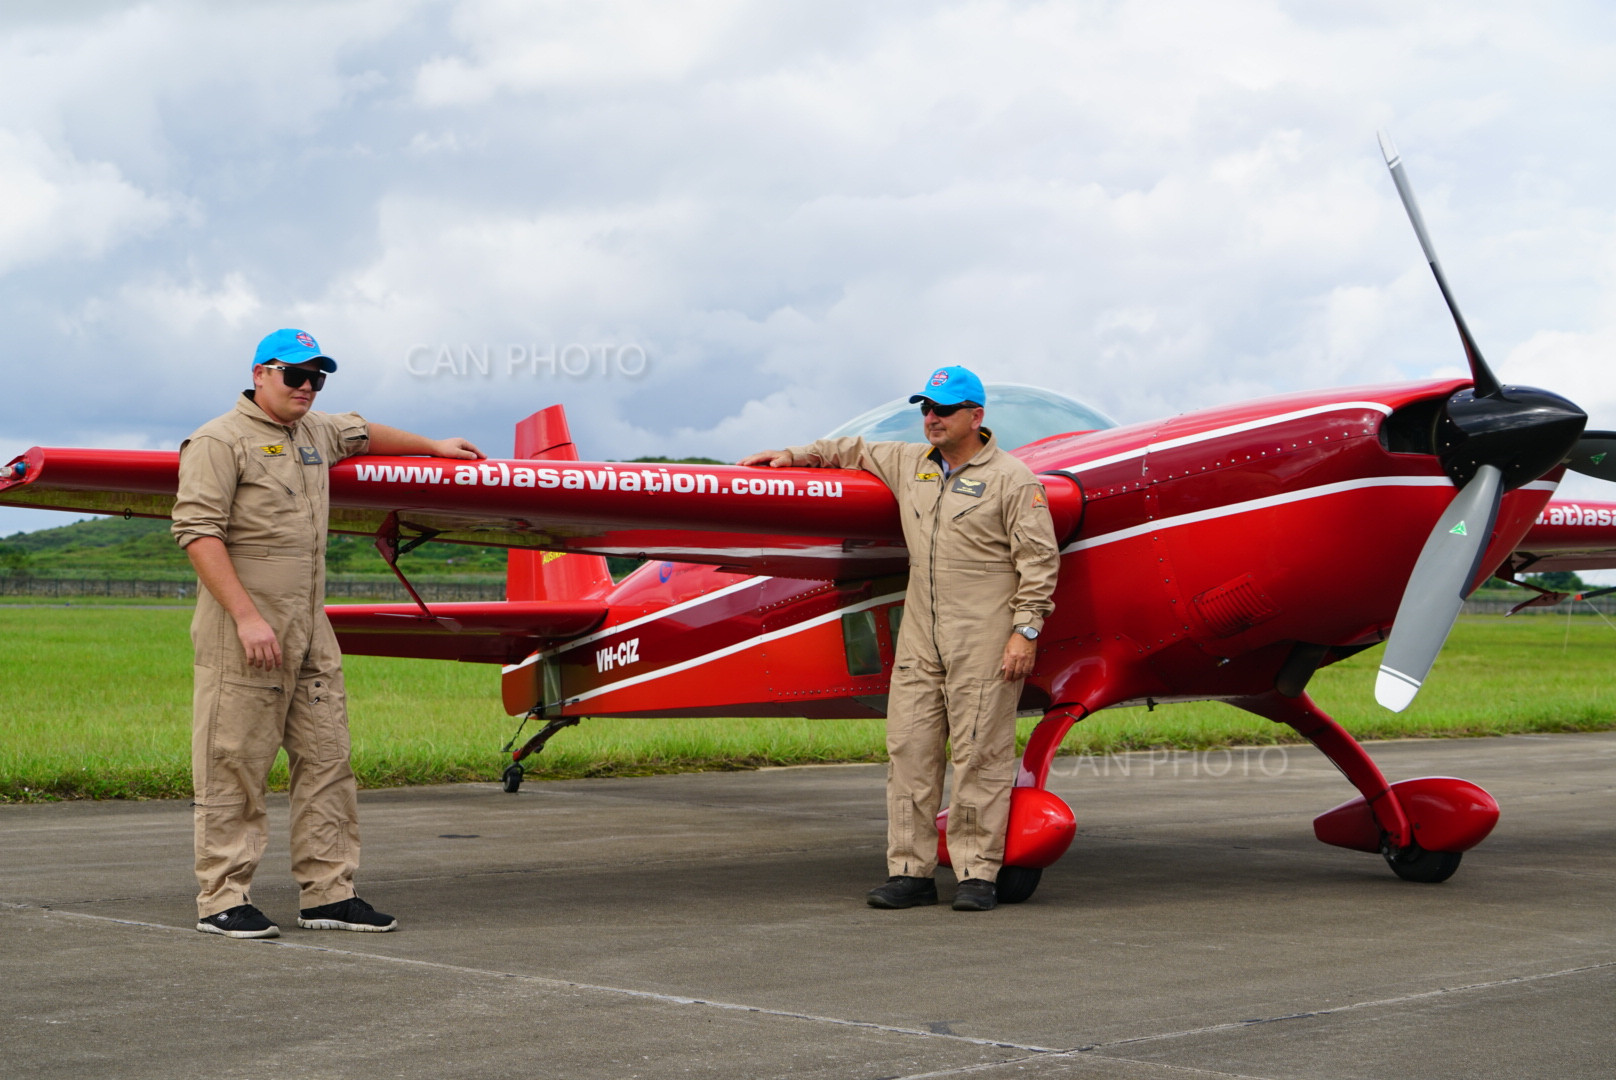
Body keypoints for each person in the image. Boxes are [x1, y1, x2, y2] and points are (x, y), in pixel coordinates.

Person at [172, 328, 484, 938]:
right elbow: (197, 532)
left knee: (327, 760)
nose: (308, 387)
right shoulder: (218, 440)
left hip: (310, 629)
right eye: (295, 376)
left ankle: (328, 894)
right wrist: (246, 616)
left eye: (318, 377)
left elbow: (365, 430)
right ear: (261, 373)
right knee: (234, 762)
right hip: (246, 631)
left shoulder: (316, 431)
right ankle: (221, 899)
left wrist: (434, 446)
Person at [740, 366, 1059, 911]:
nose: (930, 418)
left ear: (975, 417)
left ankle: (977, 875)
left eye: (944, 409)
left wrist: (1024, 634)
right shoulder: (910, 463)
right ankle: (909, 872)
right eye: (925, 408)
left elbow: (1040, 563)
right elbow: (855, 450)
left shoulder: (1015, 480)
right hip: (919, 636)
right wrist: (795, 456)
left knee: (981, 753)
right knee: (909, 751)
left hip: (982, 637)